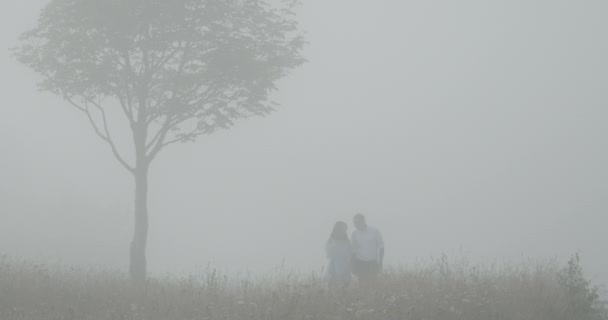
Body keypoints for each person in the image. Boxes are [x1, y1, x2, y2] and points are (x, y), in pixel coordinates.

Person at [351, 213, 384, 285]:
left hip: (372, 263)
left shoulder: (374, 231)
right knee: (362, 285)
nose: (356, 225)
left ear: (363, 221)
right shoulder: (354, 233)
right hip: (360, 263)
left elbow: (381, 247)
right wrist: (353, 265)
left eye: (358, 222)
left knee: (373, 284)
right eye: (354, 223)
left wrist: (380, 263)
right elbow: (353, 250)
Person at [325, 221, 353, 289]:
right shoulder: (331, 241)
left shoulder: (347, 241)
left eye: (345, 229)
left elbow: (350, 253)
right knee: (333, 286)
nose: (344, 231)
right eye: (343, 229)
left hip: (345, 267)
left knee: (344, 286)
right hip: (333, 267)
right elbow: (328, 254)